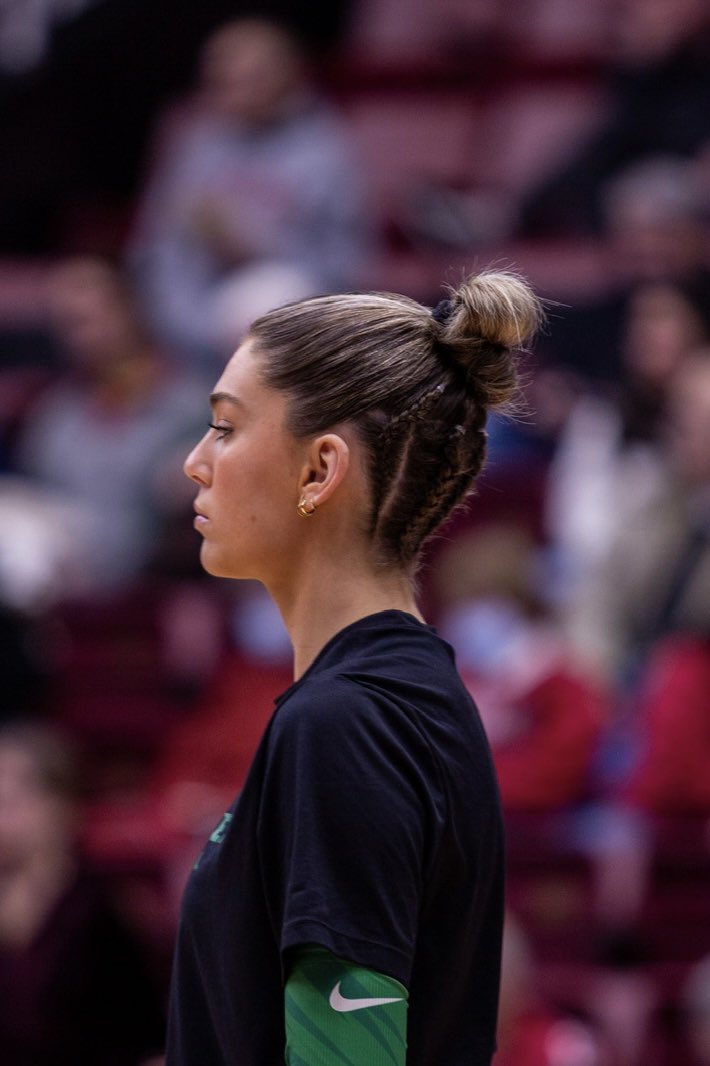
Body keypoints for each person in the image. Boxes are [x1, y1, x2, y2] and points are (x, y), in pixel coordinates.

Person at [169, 270, 544, 1064]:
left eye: (226, 428)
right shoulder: (393, 700)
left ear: (320, 470)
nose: (195, 462)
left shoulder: (349, 723)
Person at [128, 16, 371, 370]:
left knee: (267, 293)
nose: (235, 92)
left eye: (250, 80)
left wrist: (256, 248)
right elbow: (157, 253)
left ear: (287, 76)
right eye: (223, 81)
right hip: (192, 344)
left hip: (291, 343)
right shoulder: (194, 146)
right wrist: (196, 332)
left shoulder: (326, 151)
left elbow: (346, 270)